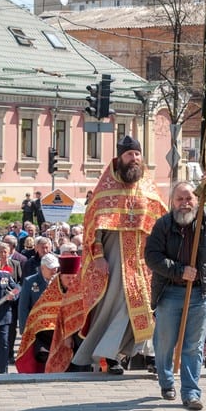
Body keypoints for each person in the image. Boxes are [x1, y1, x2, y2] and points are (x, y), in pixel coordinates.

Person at [70, 135, 167, 373]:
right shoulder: (106, 188)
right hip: (114, 259)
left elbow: (162, 221)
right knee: (119, 306)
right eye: (129, 155)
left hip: (144, 260)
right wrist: (99, 256)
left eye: (137, 154)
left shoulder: (148, 187)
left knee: (147, 304)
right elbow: (93, 228)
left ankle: (150, 355)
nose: (133, 159)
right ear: (119, 158)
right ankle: (110, 357)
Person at [146, 171, 206, 408]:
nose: (185, 203)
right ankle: (167, 382)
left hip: (201, 292)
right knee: (165, 341)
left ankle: (191, 392)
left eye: (189, 198)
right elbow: (152, 257)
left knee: (193, 344)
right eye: (180, 199)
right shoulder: (163, 225)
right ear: (173, 202)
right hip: (170, 291)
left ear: (197, 200)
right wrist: (178, 271)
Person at [16, 254, 79, 374]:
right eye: (68, 278)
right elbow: (37, 314)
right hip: (51, 334)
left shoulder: (81, 291)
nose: (71, 281)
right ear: (60, 277)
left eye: (74, 278)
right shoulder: (51, 293)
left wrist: (69, 334)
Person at [18, 252, 59, 340]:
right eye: (51, 268)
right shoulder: (30, 281)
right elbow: (23, 307)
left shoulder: (59, 280)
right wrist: (24, 329)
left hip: (56, 325)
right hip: (37, 326)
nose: (54, 271)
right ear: (42, 268)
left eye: (56, 268)